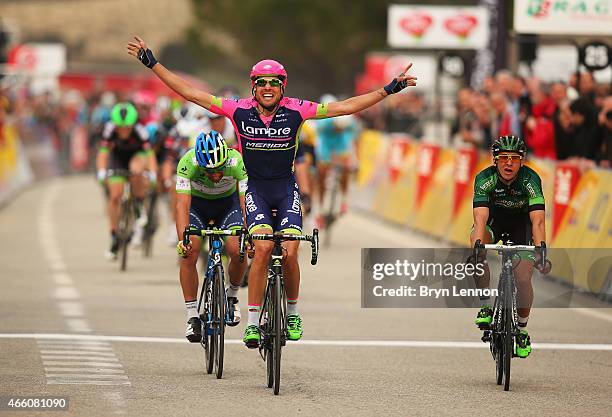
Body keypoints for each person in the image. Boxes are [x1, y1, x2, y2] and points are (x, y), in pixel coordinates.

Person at [126, 35, 417, 347]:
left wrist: (389, 90)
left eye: (274, 83)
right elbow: (191, 93)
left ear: (283, 86)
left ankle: (292, 312)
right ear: (253, 87)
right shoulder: (238, 110)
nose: (268, 88)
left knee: (291, 251)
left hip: (285, 188)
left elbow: (344, 107)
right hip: (256, 190)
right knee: (262, 248)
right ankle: (252, 322)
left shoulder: (297, 109)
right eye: (262, 83)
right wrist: (153, 64)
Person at [470, 135, 551, 358]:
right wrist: (478, 247)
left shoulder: (530, 179)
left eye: (514, 159)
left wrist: (541, 250)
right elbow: (480, 218)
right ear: (495, 160)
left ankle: (522, 329)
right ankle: (486, 306)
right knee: (477, 252)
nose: (508, 163)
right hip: (494, 222)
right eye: (503, 158)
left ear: (521, 161)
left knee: (523, 278)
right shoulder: (485, 178)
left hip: (521, 227)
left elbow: (538, 220)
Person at [175, 131, 249, 342]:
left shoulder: (236, 161)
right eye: (209, 171)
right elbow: (181, 204)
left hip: (228, 206)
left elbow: (245, 202)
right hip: (197, 207)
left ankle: (232, 295)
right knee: (190, 252)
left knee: (238, 249)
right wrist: (183, 239)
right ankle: (192, 316)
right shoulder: (187, 162)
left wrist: (248, 233)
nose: (215, 175)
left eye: (219, 169)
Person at [96, 102, 157, 259]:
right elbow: (103, 153)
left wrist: (152, 173)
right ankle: (114, 235)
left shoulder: (140, 131)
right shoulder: (109, 130)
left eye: (127, 128)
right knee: (115, 195)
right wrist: (102, 171)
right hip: (117, 159)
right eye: (120, 128)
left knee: (136, 170)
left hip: (136, 157)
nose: (123, 131)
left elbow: (149, 155)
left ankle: (138, 204)